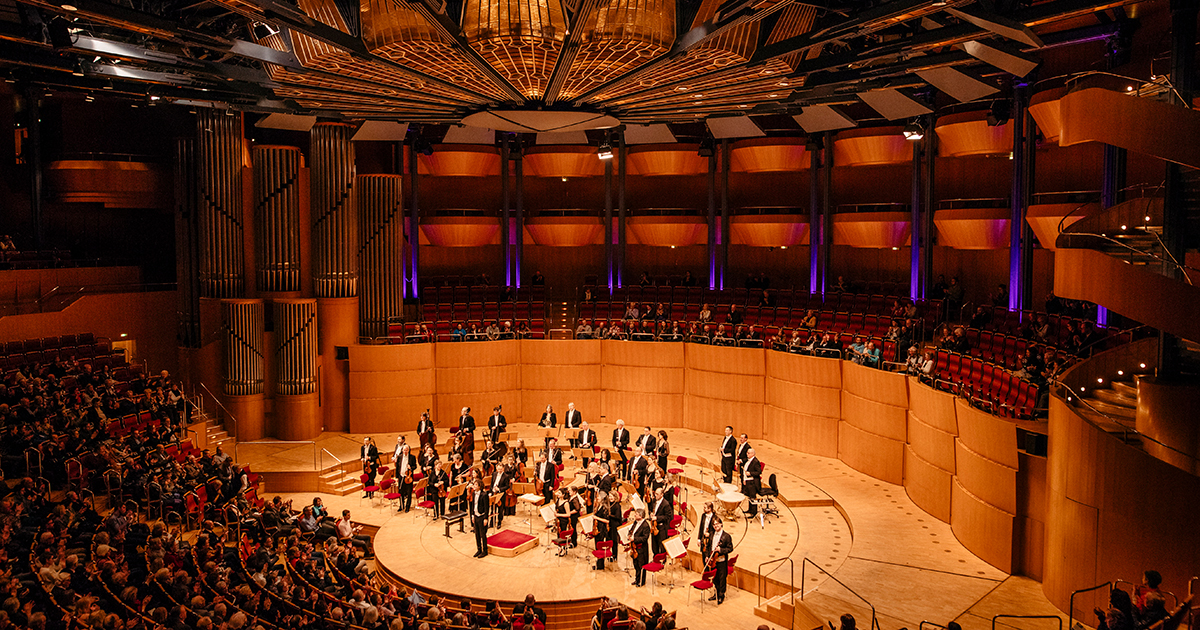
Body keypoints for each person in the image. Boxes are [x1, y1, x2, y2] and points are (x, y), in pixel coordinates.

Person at [706, 518, 734, 604]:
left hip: (722, 560)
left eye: (717, 524)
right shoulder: (711, 534)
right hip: (713, 560)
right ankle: (716, 593)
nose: (716, 526)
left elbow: (730, 548)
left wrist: (720, 550)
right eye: (714, 525)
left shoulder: (726, 536)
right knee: (715, 578)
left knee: (722, 578)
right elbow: (708, 546)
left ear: (721, 524)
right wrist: (707, 556)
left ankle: (721, 595)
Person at [630, 509, 652, 587]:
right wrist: (629, 535)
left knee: (641, 565)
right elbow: (632, 530)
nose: (634, 515)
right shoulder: (635, 522)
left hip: (641, 548)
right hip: (634, 547)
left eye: (636, 514)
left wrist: (634, 539)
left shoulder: (646, 525)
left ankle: (641, 582)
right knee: (636, 564)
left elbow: (645, 538)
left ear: (641, 515)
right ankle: (637, 579)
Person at [471, 479, 490, 558]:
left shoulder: (484, 494)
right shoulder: (473, 493)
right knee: (477, 534)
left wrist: (486, 518)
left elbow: (486, 507)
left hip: (482, 516)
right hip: (475, 515)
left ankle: (485, 550)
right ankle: (479, 549)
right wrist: (472, 515)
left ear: (479, 486)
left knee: (482, 534)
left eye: (475, 485)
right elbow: (473, 504)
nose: (474, 486)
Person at [394, 443, 416, 512]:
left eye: (406, 450)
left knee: (409, 493)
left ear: (408, 450)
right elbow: (397, 467)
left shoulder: (412, 457)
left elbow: (415, 466)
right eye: (404, 450)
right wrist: (397, 477)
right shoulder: (400, 457)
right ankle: (401, 505)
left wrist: (411, 467)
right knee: (401, 492)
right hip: (401, 477)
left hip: (409, 477)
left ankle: (407, 507)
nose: (405, 451)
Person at [743, 448, 762, 517]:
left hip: (753, 483)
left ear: (753, 454)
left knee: (753, 497)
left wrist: (750, 473)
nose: (747, 454)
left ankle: (754, 512)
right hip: (748, 481)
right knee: (749, 497)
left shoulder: (755, 461)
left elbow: (759, 472)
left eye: (749, 453)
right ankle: (750, 509)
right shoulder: (749, 461)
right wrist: (744, 479)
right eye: (747, 452)